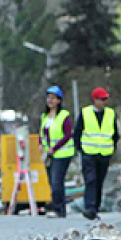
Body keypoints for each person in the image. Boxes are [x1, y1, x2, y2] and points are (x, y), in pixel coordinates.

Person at [74, 87, 118, 220]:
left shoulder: (110, 114)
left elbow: (115, 133)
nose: (104, 102)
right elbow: (77, 132)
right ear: (95, 100)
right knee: (90, 180)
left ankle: (95, 208)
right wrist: (80, 149)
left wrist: (112, 149)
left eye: (105, 99)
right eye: (101, 99)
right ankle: (90, 207)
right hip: (89, 153)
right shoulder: (85, 113)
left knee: (99, 181)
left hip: (104, 154)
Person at [39, 85, 74, 219]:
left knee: (56, 181)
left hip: (62, 154)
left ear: (59, 100)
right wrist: (41, 144)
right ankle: (59, 207)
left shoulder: (64, 116)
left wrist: (55, 148)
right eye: (49, 98)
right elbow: (42, 133)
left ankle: (58, 208)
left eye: (53, 98)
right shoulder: (45, 116)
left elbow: (67, 135)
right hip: (49, 154)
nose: (50, 101)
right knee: (51, 181)